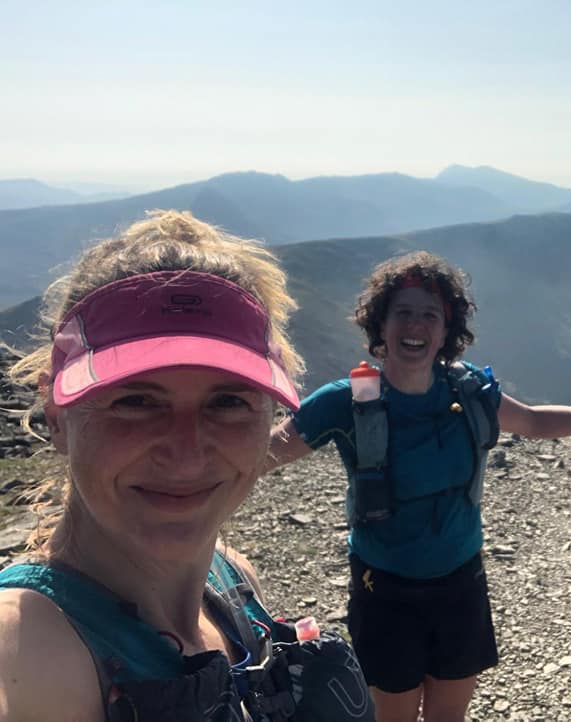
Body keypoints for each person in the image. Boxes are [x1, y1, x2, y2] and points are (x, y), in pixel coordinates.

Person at [268, 250, 571, 722]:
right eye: (403, 313)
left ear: (447, 331)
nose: (415, 325)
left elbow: (533, 422)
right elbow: (266, 452)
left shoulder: (468, 392)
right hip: (384, 592)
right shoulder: (345, 402)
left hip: (460, 584)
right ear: (381, 324)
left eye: (430, 315)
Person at [0, 211, 373, 722]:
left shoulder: (233, 579)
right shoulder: (27, 652)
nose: (187, 452)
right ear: (56, 415)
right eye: (135, 401)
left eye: (228, 402)